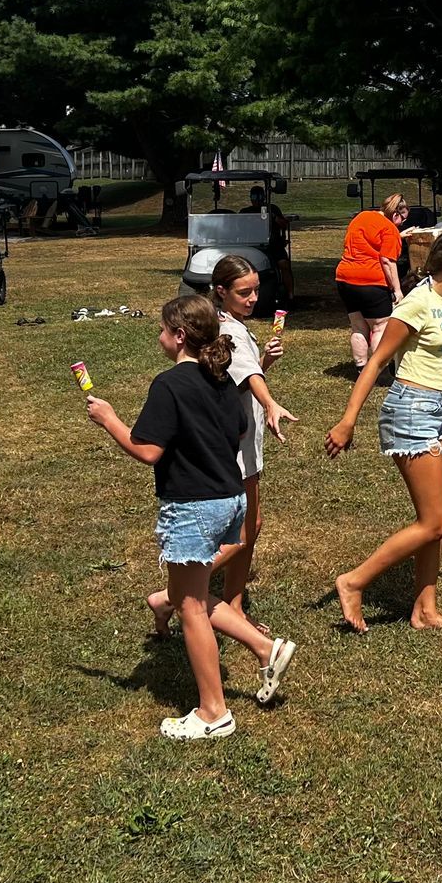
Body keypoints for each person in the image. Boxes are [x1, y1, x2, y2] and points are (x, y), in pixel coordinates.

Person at [86, 295, 297, 740]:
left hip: (193, 506)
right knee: (188, 594)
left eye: (163, 329)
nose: (159, 336)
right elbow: (239, 430)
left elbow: (147, 450)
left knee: (191, 607)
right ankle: (266, 647)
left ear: (180, 336)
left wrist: (108, 419)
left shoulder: (170, 384)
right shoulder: (220, 377)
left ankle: (213, 712)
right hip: (230, 496)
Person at [326, 227, 442, 633]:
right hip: (411, 412)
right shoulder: (416, 304)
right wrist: (347, 420)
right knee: (433, 523)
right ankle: (353, 582)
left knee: (436, 521)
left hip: (438, 411)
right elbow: (375, 364)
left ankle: (425, 610)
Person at [145, 256, 298, 638]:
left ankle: (227, 601)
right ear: (221, 292)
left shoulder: (232, 328)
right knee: (248, 528)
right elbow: (247, 377)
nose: (252, 298)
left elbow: (243, 372)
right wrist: (270, 402)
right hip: (236, 442)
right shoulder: (225, 327)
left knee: (250, 527)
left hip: (238, 434)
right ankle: (180, 593)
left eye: (256, 291)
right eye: (243, 292)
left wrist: (264, 362)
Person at [335, 192, 406, 369]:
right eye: (402, 219)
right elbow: (387, 261)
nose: (402, 224)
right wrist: (397, 289)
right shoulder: (390, 230)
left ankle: (361, 368)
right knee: (380, 327)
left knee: (358, 327)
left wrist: (401, 235)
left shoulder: (363, 216)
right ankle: (379, 370)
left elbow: (371, 240)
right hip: (371, 283)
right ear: (395, 215)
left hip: (344, 278)